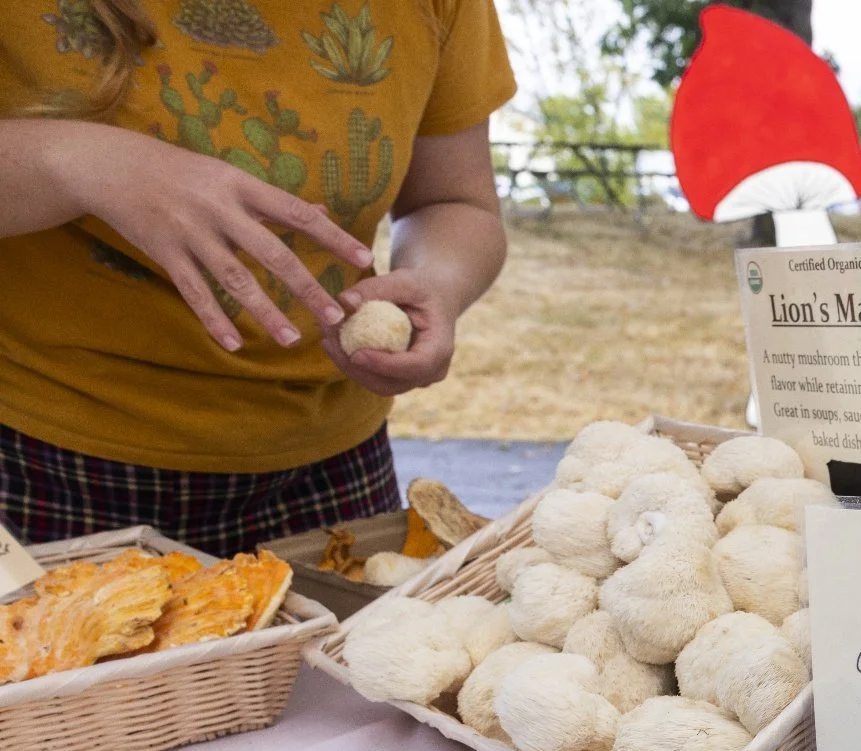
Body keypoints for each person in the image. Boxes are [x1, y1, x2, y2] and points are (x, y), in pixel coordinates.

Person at [0, 0, 514, 555]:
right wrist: (79, 163)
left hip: (330, 468)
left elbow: (454, 201)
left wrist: (436, 282)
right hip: (39, 456)